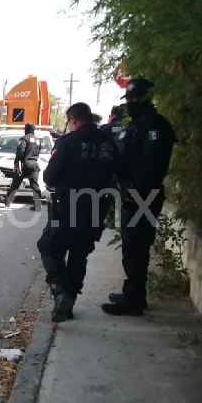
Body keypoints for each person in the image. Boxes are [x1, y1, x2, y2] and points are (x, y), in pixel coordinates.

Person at [37, 103, 117, 322]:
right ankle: (68, 306)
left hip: (67, 209)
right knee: (79, 256)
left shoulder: (68, 142)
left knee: (49, 247)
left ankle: (61, 293)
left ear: (73, 119)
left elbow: (50, 177)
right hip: (96, 211)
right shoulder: (108, 144)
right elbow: (116, 174)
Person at [103, 78, 177, 316]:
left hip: (141, 197)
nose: (132, 102)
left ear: (147, 98)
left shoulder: (155, 126)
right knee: (131, 246)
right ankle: (132, 292)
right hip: (132, 195)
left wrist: (135, 193)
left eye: (136, 98)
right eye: (129, 98)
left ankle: (134, 300)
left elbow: (152, 167)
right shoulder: (137, 124)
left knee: (136, 247)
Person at [4, 123, 42, 211]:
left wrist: (17, 163)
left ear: (26, 129)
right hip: (34, 164)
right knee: (35, 185)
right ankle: (37, 205)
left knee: (16, 183)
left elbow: (20, 151)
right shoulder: (38, 140)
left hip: (24, 164)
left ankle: (8, 201)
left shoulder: (25, 139)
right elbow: (38, 152)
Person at [99, 104, 126, 228]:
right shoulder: (128, 128)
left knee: (106, 194)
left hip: (107, 167)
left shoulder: (105, 129)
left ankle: (108, 218)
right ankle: (121, 220)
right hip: (123, 168)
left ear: (113, 115)